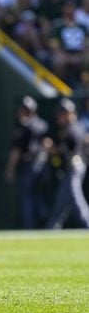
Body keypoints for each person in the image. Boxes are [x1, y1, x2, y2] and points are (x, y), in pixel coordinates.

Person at [4, 95, 50, 229]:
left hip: (29, 165)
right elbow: (48, 144)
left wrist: (10, 169)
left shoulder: (25, 126)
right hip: (42, 164)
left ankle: (30, 226)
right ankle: (42, 212)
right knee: (37, 194)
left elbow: (16, 151)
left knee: (26, 197)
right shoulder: (42, 124)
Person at [46, 98, 89, 229]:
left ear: (70, 113)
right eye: (59, 113)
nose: (60, 116)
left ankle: (87, 224)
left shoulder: (74, 128)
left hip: (75, 166)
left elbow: (71, 151)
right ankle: (52, 227)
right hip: (72, 167)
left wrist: (53, 149)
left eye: (63, 113)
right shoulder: (68, 128)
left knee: (75, 196)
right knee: (62, 199)